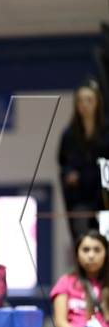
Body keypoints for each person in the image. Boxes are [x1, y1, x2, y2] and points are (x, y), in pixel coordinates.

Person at [58, 80, 109, 242]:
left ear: (97, 103)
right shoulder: (69, 135)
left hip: (104, 196)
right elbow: (63, 163)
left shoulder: (106, 132)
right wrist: (69, 174)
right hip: (80, 198)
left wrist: (85, 176)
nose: (84, 105)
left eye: (89, 100)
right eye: (80, 100)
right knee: (83, 240)